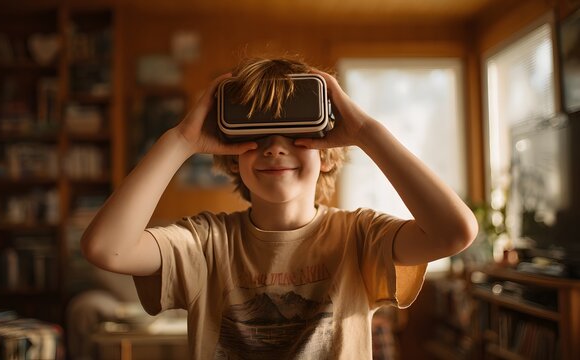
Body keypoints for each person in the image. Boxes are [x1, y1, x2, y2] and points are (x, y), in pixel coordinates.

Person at [81, 57, 478, 359]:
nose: (275, 147)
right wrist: (182, 139)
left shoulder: (359, 237)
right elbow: (105, 247)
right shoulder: (206, 242)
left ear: (325, 153)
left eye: (296, 133)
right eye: (257, 135)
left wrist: (365, 133)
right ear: (234, 156)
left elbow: (454, 232)